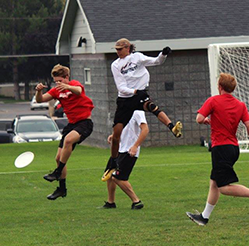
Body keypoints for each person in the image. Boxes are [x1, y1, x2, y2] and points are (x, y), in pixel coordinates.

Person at [103, 38, 182, 180]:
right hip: (125, 100)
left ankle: (172, 127)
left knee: (152, 107)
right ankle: (113, 161)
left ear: (128, 48)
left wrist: (163, 54)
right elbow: (121, 87)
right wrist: (134, 92)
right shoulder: (115, 65)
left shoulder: (137, 57)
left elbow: (156, 61)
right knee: (116, 136)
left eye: (120, 49)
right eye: (116, 49)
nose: (118, 52)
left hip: (139, 95)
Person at [186, 73, 249, 226]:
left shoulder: (213, 100)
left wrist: (207, 120)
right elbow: (248, 124)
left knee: (224, 188)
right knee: (214, 182)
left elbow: (199, 119)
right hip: (233, 148)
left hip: (220, 148)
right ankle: (204, 217)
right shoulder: (240, 105)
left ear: (220, 87)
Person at [35, 64, 94, 200]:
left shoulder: (73, 84)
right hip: (71, 125)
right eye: (56, 81)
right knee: (58, 158)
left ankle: (57, 172)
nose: (58, 84)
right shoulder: (56, 90)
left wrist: (67, 87)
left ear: (67, 77)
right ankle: (61, 189)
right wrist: (38, 91)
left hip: (85, 123)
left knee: (68, 140)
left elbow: (79, 91)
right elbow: (40, 100)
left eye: (60, 81)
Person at [101, 110, 149, 209]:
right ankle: (111, 202)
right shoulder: (124, 109)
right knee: (109, 174)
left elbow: (145, 130)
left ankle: (136, 201)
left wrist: (135, 146)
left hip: (129, 151)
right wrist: (114, 136)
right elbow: (124, 127)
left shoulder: (137, 111)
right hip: (119, 149)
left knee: (118, 177)